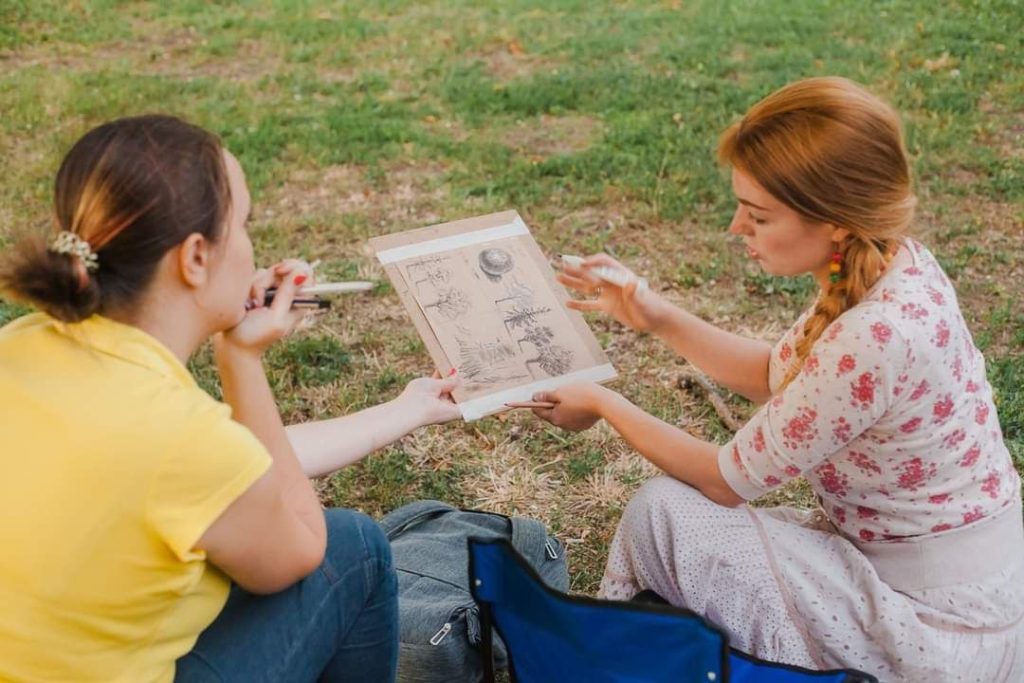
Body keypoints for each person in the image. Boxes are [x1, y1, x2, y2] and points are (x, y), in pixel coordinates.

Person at [528, 77, 1023, 681]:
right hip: (957, 580)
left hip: (929, 621)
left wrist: (605, 403)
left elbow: (722, 480)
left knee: (663, 513)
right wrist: (650, 313)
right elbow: (776, 375)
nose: (737, 228)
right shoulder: (892, 260)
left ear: (835, 222)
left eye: (759, 215)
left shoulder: (875, 335)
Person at [0, 115, 461, 683]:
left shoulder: (21, 345)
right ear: (195, 257)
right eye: (245, 224)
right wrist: (240, 360)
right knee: (355, 547)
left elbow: (234, 474)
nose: (251, 249)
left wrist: (407, 408)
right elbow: (298, 545)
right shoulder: (180, 435)